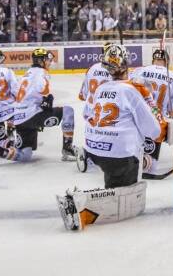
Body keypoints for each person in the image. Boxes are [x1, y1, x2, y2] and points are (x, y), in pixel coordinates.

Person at [57, 44, 161, 231]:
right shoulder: (131, 90)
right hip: (119, 154)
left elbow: (88, 113)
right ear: (126, 65)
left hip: (94, 148)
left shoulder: (100, 89)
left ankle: (94, 180)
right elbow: (153, 131)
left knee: (115, 182)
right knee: (126, 198)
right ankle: (78, 205)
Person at [0, 48, 76, 166]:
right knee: (68, 111)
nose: (49, 62)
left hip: (19, 119)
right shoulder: (43, 73)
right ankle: (67, 149)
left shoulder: (27, 74)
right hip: (32, 117)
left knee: (25, 155)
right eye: (47, 60)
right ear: (41, 61)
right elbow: (42, 90)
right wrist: (47, 98)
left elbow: (20, 95)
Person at [130, 47, 173, 175]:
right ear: (167, 61)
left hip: (136, 118)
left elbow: (127, 89)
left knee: (133, 147)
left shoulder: (139, 71)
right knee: (149, 168)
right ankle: (149, 167)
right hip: (158, 120)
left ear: (153, 60)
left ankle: (130, 164)